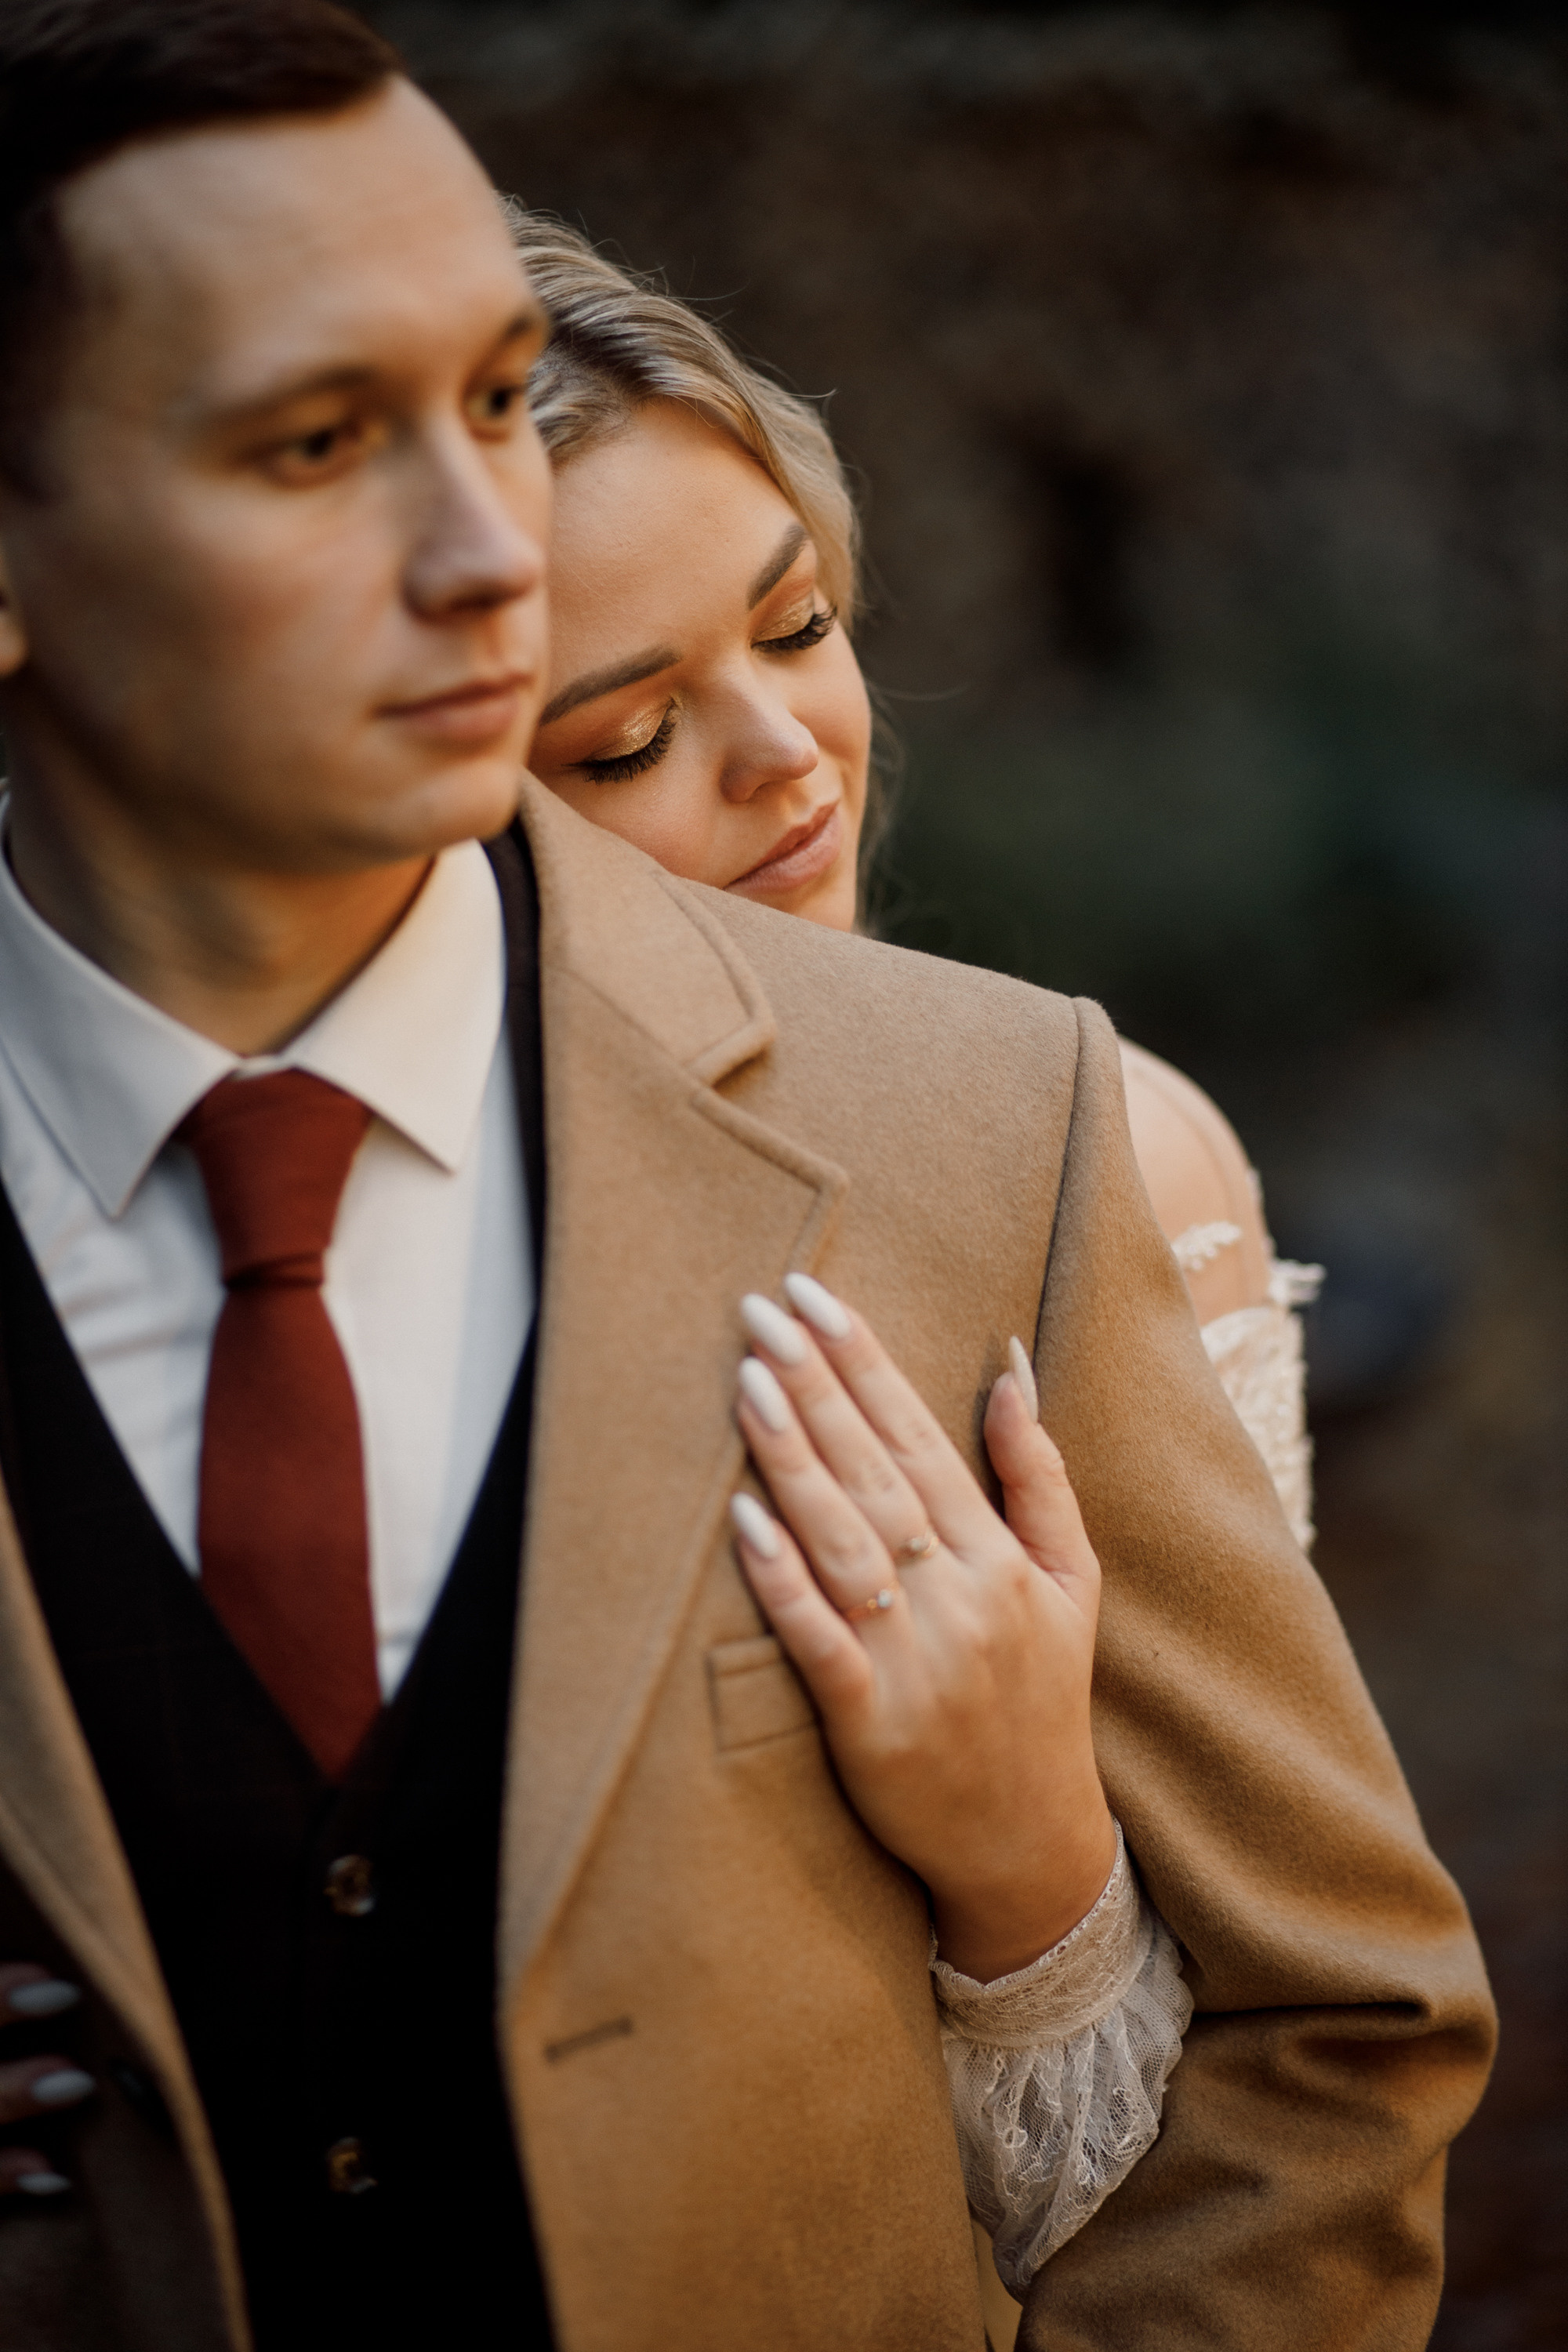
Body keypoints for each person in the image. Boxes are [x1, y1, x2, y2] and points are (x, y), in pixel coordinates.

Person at [0, 11, 1493, 2352]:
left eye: (802, 628)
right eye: (315, 441)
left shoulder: (1021, 1129)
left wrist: (1035, 1870)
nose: (484, 553)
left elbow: (1329, 2051)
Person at [517, 217, 1323, 1555]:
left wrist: (1007, 1771)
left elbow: (1251, 1763)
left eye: (797, 627)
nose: (788, 752)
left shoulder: (1111, 1164)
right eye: (629, 741)